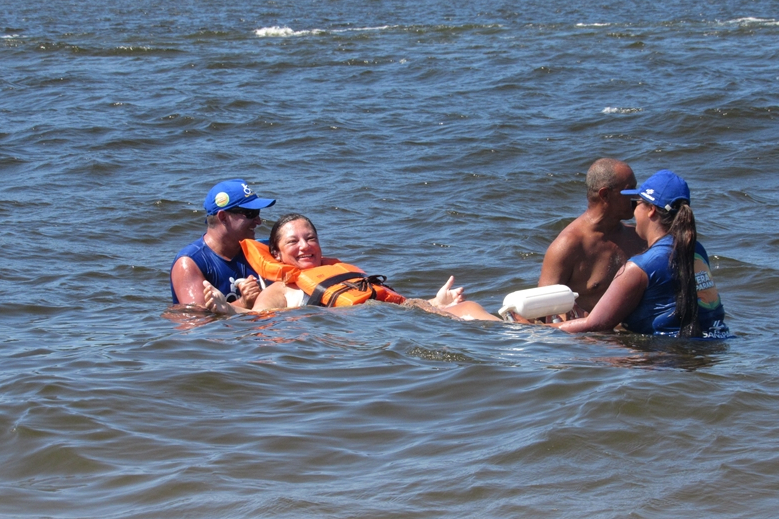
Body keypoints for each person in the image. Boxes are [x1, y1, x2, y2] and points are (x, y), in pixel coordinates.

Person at [516, 170, 729, 338]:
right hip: (714, 343)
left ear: (651, 210)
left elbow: (595, 325)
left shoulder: (639, 267)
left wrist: (534, 331)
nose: (633, 209)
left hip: (667, 357)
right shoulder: (696, 250)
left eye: (637, 202)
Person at [203, 213, 502, 321]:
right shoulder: (280, 290)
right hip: (370, 330)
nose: (305, 246)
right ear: (276, 255)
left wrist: (436, 302)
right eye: (293, 242)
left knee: (469, 308)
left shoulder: (343, 274)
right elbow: (260, 318)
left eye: (311, 239)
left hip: (398, 316)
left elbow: (397, 303)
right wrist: (227, 308)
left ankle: (527, 333)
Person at [538, 158, 646, 318]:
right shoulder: (569, 245)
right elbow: (542, 309)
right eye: (630, 190)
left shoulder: (638, 238)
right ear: (605, 195)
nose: (637, 196)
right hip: (591, 340)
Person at [170, 179, 276, 309]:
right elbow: (196, 322)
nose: (259, 221)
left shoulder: (265, 249)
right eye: (251, 214)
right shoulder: (190, 263)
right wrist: (243, 303)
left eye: (258, 213)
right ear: (223, 217)